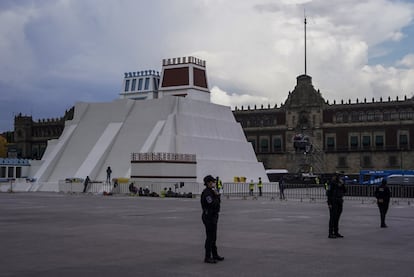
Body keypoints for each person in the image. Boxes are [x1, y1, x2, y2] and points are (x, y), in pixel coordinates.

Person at [201, 175, 224, 264]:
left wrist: (217, 196)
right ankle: (207, 257)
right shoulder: (207, 193)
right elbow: (212, 204)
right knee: (210, 237)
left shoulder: (212, 191)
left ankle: (215, 254)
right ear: (208, 183)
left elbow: (218, 202)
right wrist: (217, 197)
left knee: (214, 237)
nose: (214, 183)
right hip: (208, 217)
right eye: (212, 182)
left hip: (213, 216)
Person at [326, 172, 347, 238]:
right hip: (333, 202)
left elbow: (345, 191)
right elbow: (328, 194)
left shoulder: (340, 183)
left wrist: (342, 184)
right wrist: (329, 203)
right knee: (332, 218)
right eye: (337, 176)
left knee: (337, 218)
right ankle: (330, 233)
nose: (338, 178)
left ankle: (336, 232)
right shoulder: (331, 184)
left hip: (339, 201)